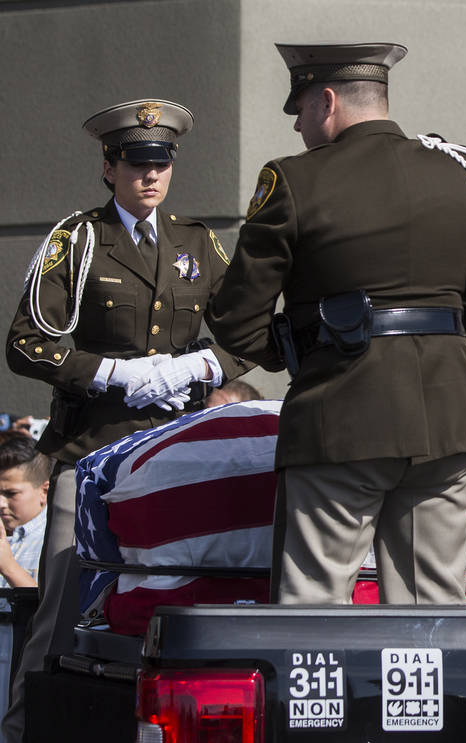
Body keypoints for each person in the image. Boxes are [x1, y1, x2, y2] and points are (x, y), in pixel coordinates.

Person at [206, 42, 466, 605]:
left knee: (313, 607)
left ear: (326, 100)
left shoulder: (293, 180)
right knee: (433, 608)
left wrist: (300, 351)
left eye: (298, 109)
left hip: (341, 415)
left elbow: (236, 316)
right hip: (450, 418)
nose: (297, 126)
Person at [3, 98, 252, 742]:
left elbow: (248, 334)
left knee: (168, 601)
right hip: (93, 445)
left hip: (174, 449)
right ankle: (25, 729)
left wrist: (198, 367)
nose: (151, 176)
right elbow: (29, 341)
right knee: (59, 606)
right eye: (137, 163)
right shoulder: (79, 240)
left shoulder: (198, 242)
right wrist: (114, 374)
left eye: (161, 164)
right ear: (109, 167)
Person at [0, 437, 50, 591]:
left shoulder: (54, 542)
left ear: (44, 491)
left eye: (11, 493)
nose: (1, 503)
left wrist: (8, 567)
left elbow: (53, 610)